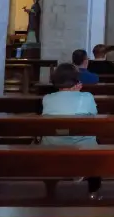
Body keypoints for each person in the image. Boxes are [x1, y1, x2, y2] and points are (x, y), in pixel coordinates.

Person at [40, 63, 102, 200]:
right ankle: (93, 191)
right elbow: (93, 114)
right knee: (97, 142)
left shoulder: (47, 98)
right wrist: (79, 94)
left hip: (53, 145)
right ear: (76, 80)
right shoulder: (86, 97)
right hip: (83, 147)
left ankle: (50, 191)